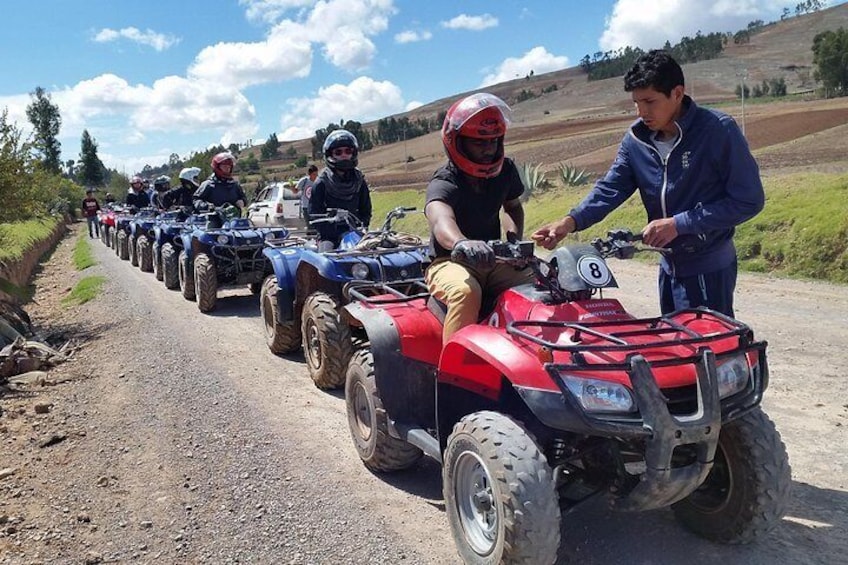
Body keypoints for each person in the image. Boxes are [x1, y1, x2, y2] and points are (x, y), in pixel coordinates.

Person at [532, 50, 764, 317]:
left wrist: (680, 224)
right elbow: (611, 188)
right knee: (673, 347)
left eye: (650, 101)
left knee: (711, 353)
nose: (641, 111)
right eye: (636, 102)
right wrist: (570, 221)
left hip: (708, 268)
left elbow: (748, 200)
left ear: (677, 93)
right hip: (668, 268)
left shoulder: (718, 130)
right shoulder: (636, 140)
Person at [424, 92, 533, 342]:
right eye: (479, 142)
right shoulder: (446, 180)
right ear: (457, 141)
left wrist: (514, 242)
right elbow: (441, 219)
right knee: (465, 291)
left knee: (541, 284)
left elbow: (513, 207)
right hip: (449, 261)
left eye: (493, 141)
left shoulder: (505, 170)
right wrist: (461, 242)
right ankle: (454, 375)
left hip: (493, 259)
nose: (488, 149)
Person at [308, 130, 372, 248]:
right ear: (330, 154)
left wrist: (359, 228)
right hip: (329, 236)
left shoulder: (359, 181)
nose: (344, 155)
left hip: (354, 233)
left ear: (353, 153)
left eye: (348, 151)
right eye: (338, 152)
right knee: (326, 258)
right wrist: (334, 231)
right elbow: (314, 214)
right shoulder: (321, 182)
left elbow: (366, 210)